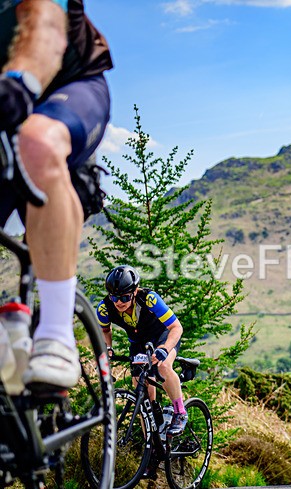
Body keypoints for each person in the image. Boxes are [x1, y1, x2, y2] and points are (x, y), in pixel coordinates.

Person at [0, 1, 113, 391]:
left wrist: (18, 84)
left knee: (36, 143)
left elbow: (44, 29)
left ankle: (56, 335)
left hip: (68, 89)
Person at [96, 265, 188, 435]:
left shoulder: (149, 299)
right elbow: (104, 330)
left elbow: (176, 327)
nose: (119, 302)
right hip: (138, 343)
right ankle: (151, 446)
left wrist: (165, 349)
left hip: (163, 336)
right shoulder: (104, 308)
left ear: (135, 291)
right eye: (114, 297)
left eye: (125, 297)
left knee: (163, 366)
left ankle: (180, 412)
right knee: (143, 397)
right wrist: (108, 348)